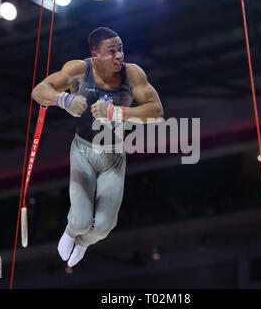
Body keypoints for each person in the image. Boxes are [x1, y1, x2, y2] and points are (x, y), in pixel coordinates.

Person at [31, 27, 164, 267]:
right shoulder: (79, 70)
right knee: (81, 221)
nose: (119, 56)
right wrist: (65, 100)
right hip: (83, 151)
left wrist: (117, 112)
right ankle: (72, 233)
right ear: (95, 55)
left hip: (113, 155)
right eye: (111, 51)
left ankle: (82, 243)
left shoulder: (132, 74)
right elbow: (39, 91)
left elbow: (157, 112)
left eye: (121, 49)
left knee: (103, 227)